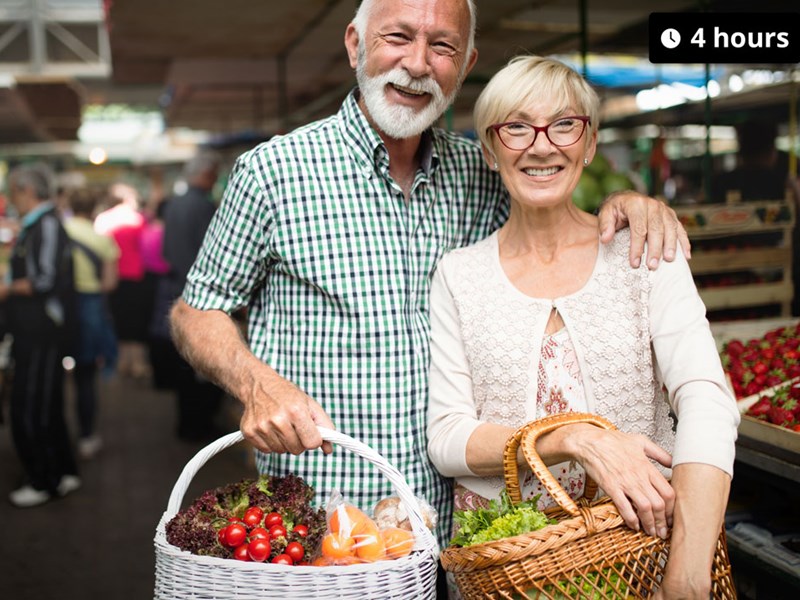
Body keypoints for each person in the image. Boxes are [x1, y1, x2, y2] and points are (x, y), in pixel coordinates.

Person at [168, 0, 689, 559]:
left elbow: (554, 207)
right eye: (397, 37)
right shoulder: (273, 173)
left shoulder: (483, 172)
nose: (418, 63)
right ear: (354, 45)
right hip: (332, 531)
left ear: (465, 65)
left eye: (442, 46)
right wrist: (255, 384)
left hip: (474, 529)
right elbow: (195, 310)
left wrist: (625, 203)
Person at [425, 55, 739, 599]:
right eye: (517, 127)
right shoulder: (459, 274)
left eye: (564, 124)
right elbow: (447, 437)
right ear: (490, 150)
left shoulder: (645, 253)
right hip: (515, 576)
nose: (541, 145)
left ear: (589, 144)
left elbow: (707, 401)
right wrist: (571, 437)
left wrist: (686, 578)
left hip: (642, 556)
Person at [1, 163, 81, 507]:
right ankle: (61, 472)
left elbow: (45, 280)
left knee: (29, 406)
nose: (10, 198)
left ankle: (43, 479)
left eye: (12, 191)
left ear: (26, 191)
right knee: (46, 404)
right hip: (38, 331)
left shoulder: (46, 224)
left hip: (41, 332)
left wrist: (5, 289)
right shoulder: (40, 224)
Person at [162, 149, 225, 441]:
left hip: (179, 289)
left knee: (185, 364)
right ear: (206, 175)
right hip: (200, 295)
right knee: (202, 365)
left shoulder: (175, 203)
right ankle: (197, 425)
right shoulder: (202, 206)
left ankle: (188, 423)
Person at [64, 186, 120, 459]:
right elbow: (110, 282)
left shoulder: (60, 231)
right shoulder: (102, 240)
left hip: (60, 308)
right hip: (90, 308)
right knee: (86, 377)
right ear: (94, 208)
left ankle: (56, 434)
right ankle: (86, 436)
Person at [94, 182, 150, 379]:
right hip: (136, 276)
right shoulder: (138, 219)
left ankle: (120, 361)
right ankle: (137, 363)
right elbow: (147, 248)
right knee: (135, 319)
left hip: (111, 277)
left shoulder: (103, 219)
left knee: (116, 318)